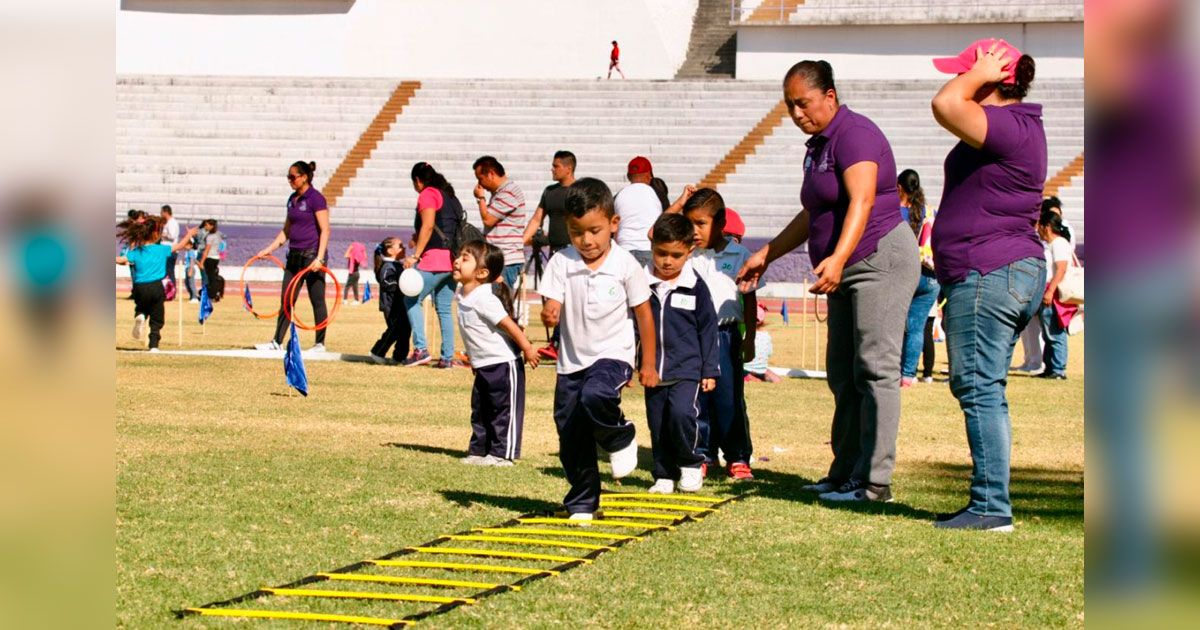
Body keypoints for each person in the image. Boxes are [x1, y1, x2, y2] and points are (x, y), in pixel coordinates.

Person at [736, 60, 919, 503]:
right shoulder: (818, 145)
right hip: (843, 269)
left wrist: (837, 257)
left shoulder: (854, 133)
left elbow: (861, 200)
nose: (796, 113)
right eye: (789, 105)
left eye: (803, 103)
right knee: (842, 373)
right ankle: (845, 472)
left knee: (876, 370)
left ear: (830, 97)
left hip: (878, 260)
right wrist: (768, 252)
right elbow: (814, 212)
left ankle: (875, 482)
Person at [928, 39, 1047, 531]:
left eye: (971, 72)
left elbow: (944, 103)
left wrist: (978, 73)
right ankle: (988, 501)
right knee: (982, 386)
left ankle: (991, 506)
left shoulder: (1011, 127)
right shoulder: (1011, 130)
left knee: (979, 387)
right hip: (994, 269)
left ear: (995, 78)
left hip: (989, 269)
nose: (962, 79)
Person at [538, 178, 657, 520]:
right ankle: (583, 502)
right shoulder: (562, 262)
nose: (587, 241)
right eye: (577, 233)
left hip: (613, 355)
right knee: (570, 430)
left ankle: (621, 435)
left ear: (613, 225)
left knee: (596, 396)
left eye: (595, 231)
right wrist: (550, 309)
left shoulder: (625, 265)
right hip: (571, 363)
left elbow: (644, 314)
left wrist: (647, 362)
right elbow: (552, 301)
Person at [681, 189, 759, 480]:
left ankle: (737, 456)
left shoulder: (740, 255)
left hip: (725, 336)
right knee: (697, 398)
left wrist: (749, 337)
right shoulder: (687, 255)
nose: (694, 231)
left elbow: (749, 299)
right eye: (689, 223)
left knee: (729, 398)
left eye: (700, 223)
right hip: (693, 337)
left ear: (721, 221)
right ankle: (703, 453)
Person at [643, 213, 719, 494]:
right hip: (653, 370)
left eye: (676, 255)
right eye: (661, 253)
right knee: (658, 424)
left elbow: (708, 329)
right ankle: (663, 474)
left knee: (681, 415)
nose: (667, 261)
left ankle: (690, 465)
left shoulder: (696, 287)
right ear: (652, 248)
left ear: (689, 251)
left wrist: (709, 368)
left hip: (687, 368)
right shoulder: (641, 283)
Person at [454, 240, 539, 466]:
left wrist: (527, 348)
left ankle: (502, 454)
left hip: (503, 364)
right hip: (483, 364)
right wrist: (474, 359)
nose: (457, 261)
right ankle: (479, 450)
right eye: (459, 256)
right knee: (480, 409)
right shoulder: (462, 293)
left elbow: (509, 325)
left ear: (482, 273)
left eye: (465, 258)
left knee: (503, 411)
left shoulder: (484, 298)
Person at [255, 161, 332, 352]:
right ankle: (277, 341)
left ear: (304, 177)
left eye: (293, 177)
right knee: (287, 299)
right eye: (288, 177)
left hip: (312, 257)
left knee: (317, 300)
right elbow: (286, 231)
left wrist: (319, 258)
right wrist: (269, 249)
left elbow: (325, 230)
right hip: (294, 257)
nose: (290, 180)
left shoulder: (316, 199)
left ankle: (320, 343)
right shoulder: (292, 199)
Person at [404, 161, 464, 368]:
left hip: (434, 258)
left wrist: (415, 255)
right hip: (454, 259)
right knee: (445, 308)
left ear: (418, 181)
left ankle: (420, 349)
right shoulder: (451, 196)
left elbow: (428, 225)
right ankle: (447, 357)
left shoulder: (428, 194)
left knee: (411, 298)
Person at [523, 150, 577, 361]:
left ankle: (559, 342)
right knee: (555, 296)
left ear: (568, 168)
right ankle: (556, 342)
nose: (552, 169)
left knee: (570, 298)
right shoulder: (549, 192)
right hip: (555, 252)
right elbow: (537, 219)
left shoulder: (579, 191)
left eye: (556, 166)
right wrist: (522, 241)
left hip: (575, 251)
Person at [115, 215, 198, 351]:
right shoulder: (162, 249)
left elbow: (122, 259)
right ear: (155, 234)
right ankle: (153, 345)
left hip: (139, 287)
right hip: (156, 287)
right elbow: (181, 245)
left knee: (142, 306)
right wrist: (189, 234)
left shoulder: (136, 251)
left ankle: (140, 315)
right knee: (157, 316)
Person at [898, 169, 940, 387]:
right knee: (917, 327)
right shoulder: (929, 211)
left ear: (899, 188)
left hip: (906, 272)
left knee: (896, 324)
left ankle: (894, 370)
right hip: (932, 276)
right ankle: (908, 375)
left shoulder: (896, 213)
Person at [472, 156, 528, 289]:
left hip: (505, 259)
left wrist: (481, 198)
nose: (480, 185)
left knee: (500, 304)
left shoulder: (509, 192)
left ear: (491, 174)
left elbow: (488, 220)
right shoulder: (500, 192)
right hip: (499, 258)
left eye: (481, 178)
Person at [1037, 209, 1074, 380]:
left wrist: (1050, 290)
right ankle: (1051, 366)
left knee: (1054, 331)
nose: (1037, 230)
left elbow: (1061, 269)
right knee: (1048, 331)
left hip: (1053, 292)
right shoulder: (1052, 244)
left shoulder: (1058, 243)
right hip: (1049, 290)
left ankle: (1058, 368)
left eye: (1040, 226)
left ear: (1046, 227)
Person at [613, 156, 661, 267]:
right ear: (649, 175)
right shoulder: (655, 193)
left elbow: (614, 228)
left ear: (629, 176)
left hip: (624, 250)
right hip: (647, 248)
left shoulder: (619, 195)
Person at [370, 237, 411, 364]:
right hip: (391, 306)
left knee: (406, 329)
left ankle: (399, 357)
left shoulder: (398, 265)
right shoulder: (387, 266)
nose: (404, 249)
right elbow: (387, 282)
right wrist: (401, 283)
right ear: (390, 250)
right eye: (400, 246)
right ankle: (377, 352)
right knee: (395, 330)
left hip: (401, 304)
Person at [744, 303, 782, 383]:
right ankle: (761, 377)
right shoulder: (766, 335)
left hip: (747, 368)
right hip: (762, 369)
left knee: (742, 372)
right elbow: (769, 353)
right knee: (778, 380)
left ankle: (750, 377)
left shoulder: (745, 334)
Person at [196, 219, 225, 302]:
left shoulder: (210, 236)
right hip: (216, 257)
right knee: (213, 277)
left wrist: (201, 262)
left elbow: (207, 250)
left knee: (210, 278)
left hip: (210, 258)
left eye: (207, 225)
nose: (205, 227)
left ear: (211, 226)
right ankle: (214, 293)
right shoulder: (218, 234)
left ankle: (212, 295)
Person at [159, 205, 180, 288]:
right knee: (165, 271)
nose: (160, 214)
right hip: (165, 250)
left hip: (170, 250)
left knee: (169, 271)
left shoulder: (172, 222)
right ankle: (166, 290)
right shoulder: (167, 222)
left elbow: (172, 236)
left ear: (165, 212)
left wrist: (163, 235)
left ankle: (171, 291)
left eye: (161, 212)